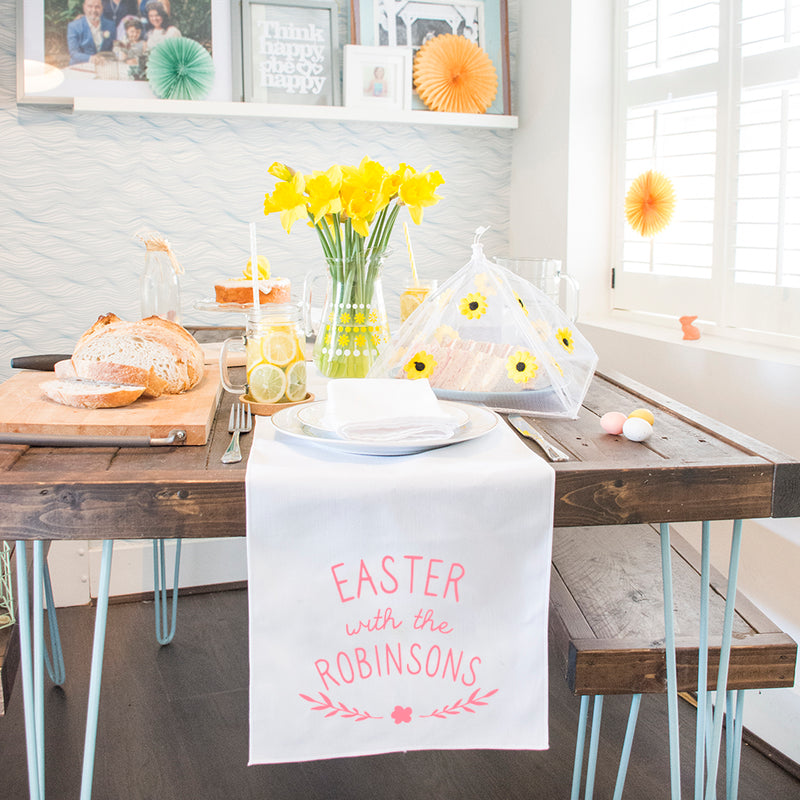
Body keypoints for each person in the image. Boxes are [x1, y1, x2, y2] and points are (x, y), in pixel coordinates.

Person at [67, 0, 116, 66]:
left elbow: (113, 48)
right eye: (90, 6)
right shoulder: (74, 26)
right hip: (81, 67)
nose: (94, 10)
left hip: (104, 67)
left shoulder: (110, 25)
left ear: (102, 8)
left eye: (97, 7)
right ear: (84, 8)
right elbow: (74, 53)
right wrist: (91, 58)